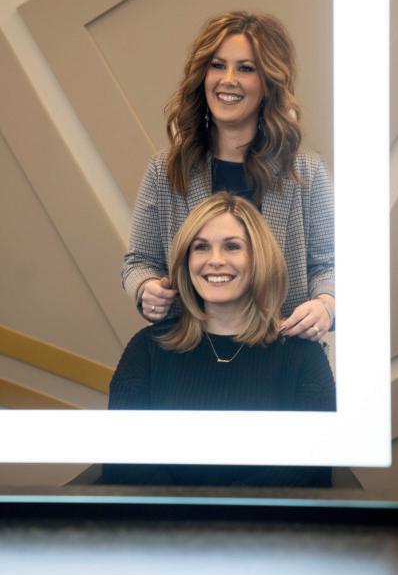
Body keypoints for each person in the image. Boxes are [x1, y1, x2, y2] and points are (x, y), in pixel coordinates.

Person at [122, 11, 334, 341]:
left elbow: (330, 265)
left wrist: (327, 304)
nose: (228, 79)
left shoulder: (305, 172)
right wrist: (145, 287)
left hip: (282, 351)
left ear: (269, 83)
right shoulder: (164, 170)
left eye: (246, 68)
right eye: (218, 65)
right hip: (190, 350)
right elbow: (139, 262)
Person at [108, 193, 335, 487]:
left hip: (269, 516)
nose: (215, 261)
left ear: (259, 258)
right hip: (162, 516)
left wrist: (225, 511)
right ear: (186, 261)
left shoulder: (302, 354)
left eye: (232, 246)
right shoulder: (147, 348)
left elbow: (310, 471)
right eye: (201, 247)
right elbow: (124, 463)